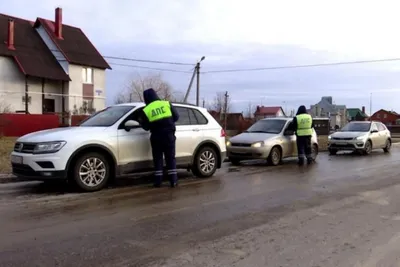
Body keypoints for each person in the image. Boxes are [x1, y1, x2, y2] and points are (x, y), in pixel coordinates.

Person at [139, 88, 180, 188]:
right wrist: (169, 122)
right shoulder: (166, 104)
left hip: (156, 137)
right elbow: (177, 116)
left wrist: (140, 122)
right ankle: (173, 181)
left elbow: (146, 127)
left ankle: (158, 182)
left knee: (158, 159)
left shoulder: (146, 109)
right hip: (169, 135)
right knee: (170, 158)